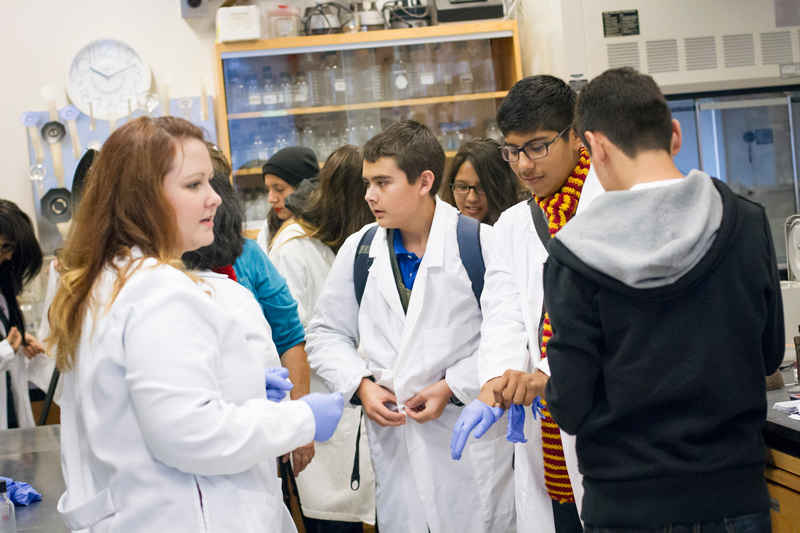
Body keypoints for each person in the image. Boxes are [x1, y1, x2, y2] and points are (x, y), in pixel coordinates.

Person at [46, 116, 343, 532]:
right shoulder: (159, 291)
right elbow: (190, 435)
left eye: (210, 182)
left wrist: (246, 389)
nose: (215, 199)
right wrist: (302, 419)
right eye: (194, 185)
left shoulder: (111, 279)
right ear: (144, 199)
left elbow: (147, 406)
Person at [543, 67, 782, 532]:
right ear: (673, 133)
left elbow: (570, 406)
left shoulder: (572, 254)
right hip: (735, 495)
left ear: (598, 148)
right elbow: (769, 354)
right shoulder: (747, 222)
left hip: (627, 505)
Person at [306, 120, 515, 533]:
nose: (369, 195)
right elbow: (324, 333)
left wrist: (453, 386)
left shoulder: (479, 244)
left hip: (467, 447)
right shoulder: (360, 248)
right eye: (367, 183)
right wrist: (361, 385)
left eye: (383, 182)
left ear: (424, 182)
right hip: (396, 450)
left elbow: (508, 337)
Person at [450, 74, 605, 533]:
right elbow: (505, 314)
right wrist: (497, 382)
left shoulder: (607, 204)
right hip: (545, 432)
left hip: (605, 417)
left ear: (575, 137)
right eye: (512, 150)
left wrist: (546, 378)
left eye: (538, 146)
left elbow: (609, 320)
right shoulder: (514, 224)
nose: (523, 164)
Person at [269, 145, 377, 533]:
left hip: (374, 422)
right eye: (369, 188)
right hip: (326, 420)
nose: (375, 198)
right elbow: (291, 342)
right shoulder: (294, 250)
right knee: (332, 521)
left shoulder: (373, 240)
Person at [207, 142, 315, 478]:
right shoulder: (159, 271)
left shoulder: (248, 256)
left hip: (262, 428)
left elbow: (289, 335)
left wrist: (297, 420)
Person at [0, 200, 44, 429]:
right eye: (6, 246)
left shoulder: (3, 292)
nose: (8, 257)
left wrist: (18, 341)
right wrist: (7, 349)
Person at [441, 138, 528, 225]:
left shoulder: (523, 223)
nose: (472, 198)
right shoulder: (447, 228)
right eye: (463, 187)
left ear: (503, 185)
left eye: (482, 187)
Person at [257, 146, 320, 253]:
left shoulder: (322, 227)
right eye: (268, 189)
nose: (271, 199)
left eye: (279, 189)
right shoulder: (269, 226)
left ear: (304, 189)